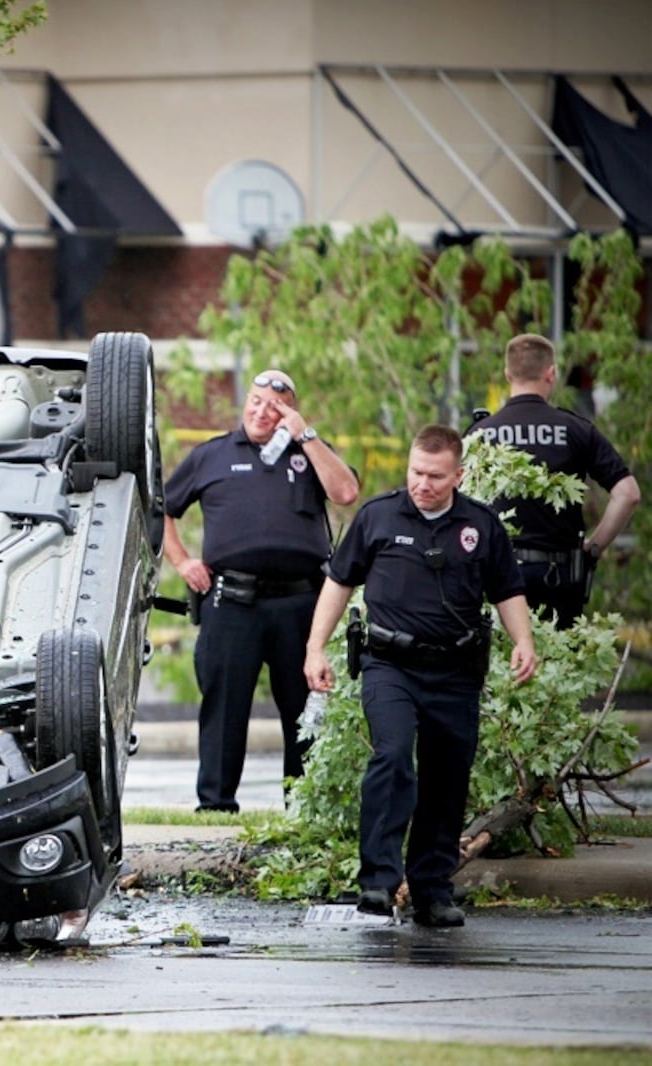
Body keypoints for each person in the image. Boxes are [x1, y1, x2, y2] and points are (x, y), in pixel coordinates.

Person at [303, 425, 537, 928]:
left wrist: (524, 641)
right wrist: (315, 647)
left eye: (434, 476)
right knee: (392, 756)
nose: (422, 484)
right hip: (390, 665)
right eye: (415, 472)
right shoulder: (378, 516)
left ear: (459, 475)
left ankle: (432, 890)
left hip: (455, 671)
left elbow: (506, 590)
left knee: (447, 777)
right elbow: (338, 582)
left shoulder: (480, 524)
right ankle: (377, 884)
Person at [162, 368, 360, 812]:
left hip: (300, 602)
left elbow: (346, 492)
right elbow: (161, 510)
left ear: (289, 410)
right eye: (254, 401)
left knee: (304, 709)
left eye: (274, 406)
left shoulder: (310, 452)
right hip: (231, 601)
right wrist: (182, 561)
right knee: (225, 707)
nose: (261, 411)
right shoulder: (211, 454)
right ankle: (215, 806)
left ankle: (305, 806)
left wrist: (304, 434)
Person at [469, 333, 640, 628]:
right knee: (559, 666)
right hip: (559, 578)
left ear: (507, 374)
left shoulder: (480, 433)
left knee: (502, 667)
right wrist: (593, 548)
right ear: (551, 373)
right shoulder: (576, 429)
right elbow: (628, 494)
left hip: (499, 576)